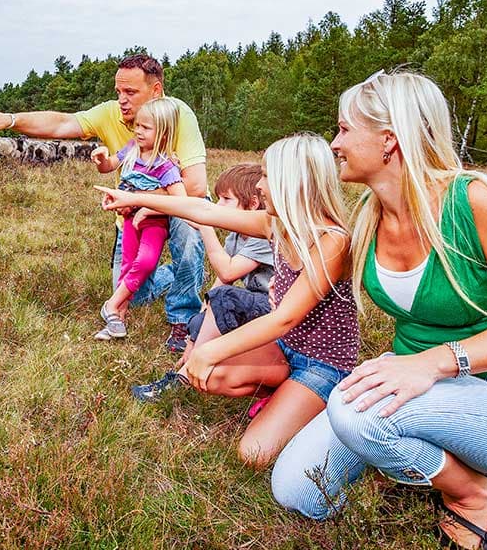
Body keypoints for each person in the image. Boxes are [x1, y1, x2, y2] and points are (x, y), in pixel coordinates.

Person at [270, 71, 487, 550]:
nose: (334, 144)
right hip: (421, 385)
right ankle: (422, 453)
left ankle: (478, 498)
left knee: (354, 411)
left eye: (344, 129)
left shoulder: (474, 200)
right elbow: (277, 222)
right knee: (297, 490)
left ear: (389, 139)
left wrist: (430, 363)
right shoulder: (369, 213)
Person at [97, 133, 360, 469]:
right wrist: (130, 197)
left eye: (267, 176)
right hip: (284, 348)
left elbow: (284, 318)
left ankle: (321, 408)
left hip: (323, 365)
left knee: (253, 454)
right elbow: (202, 209)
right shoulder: (276, 225)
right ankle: (285, 393)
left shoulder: (332, 241)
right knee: (213, 377)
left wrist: (209, 350)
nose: (261, 186)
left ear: (293, 181)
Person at [0, 54, 207, 351]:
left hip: (176, 203)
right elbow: (63, 123)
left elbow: (194, 187)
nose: (122, 101)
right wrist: (10, 120)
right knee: (136, 293)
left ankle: (182, 319)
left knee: (190, 231)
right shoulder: (112, 115)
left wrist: (139, 201)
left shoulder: (179, 114)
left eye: (131, 93)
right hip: (130, 213)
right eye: (118, 92)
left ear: (156, 92)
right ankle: (180, 272)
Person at [131, 162, 275, 402]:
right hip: (259, 307)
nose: (218, 207)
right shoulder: (235, 237)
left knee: (224, 300)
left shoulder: (264, 237)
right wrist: (194, 333)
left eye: (226, 199)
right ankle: (186, 370)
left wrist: (206, 228)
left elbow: (228, 273)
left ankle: (182, 379)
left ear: (252, 204)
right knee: (210, 305)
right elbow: (217, 288)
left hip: (275, 311)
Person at [91, 98, 187, 340]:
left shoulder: (166, 167)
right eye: (138, 125)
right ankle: (116, 320)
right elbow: (110, 165)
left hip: (153, 223)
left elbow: (182, 201)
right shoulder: (132, 148)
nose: (138, 131)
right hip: (129, 220)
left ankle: (111, 305)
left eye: (146, 128)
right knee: (127, 266)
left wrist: (147, 207)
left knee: (145, 261)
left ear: (164, 133)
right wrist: (102, 158)